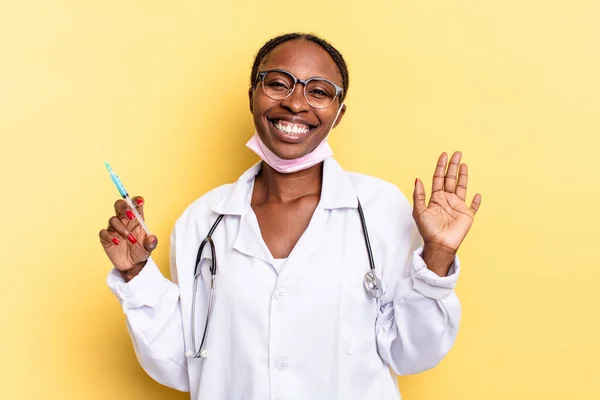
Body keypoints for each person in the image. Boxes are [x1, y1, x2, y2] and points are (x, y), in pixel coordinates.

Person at [99, 32, 481, 400]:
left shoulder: (381, 209)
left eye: (318, 91)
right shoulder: (202, 222)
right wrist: (137, 276)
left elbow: (413, 354)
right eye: (279, 84)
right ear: (252, 97)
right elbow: (184, 366)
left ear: (339, 113)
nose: (296, 103)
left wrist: (438, 256)